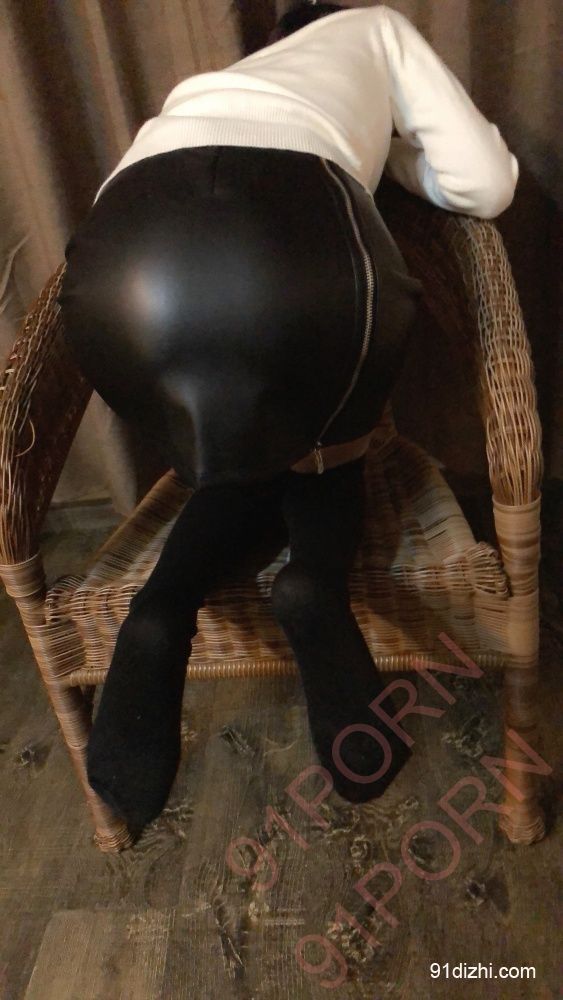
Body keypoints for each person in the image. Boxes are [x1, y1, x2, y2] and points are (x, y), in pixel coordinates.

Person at [57, 1, 519, 833]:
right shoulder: (375, 25)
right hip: (297, 229)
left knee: (246, 450)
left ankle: (159, 608)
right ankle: (313, 581)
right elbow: (486, 183)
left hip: (122, 258)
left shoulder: (215, 82)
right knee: (325, 446)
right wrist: (391, 154)